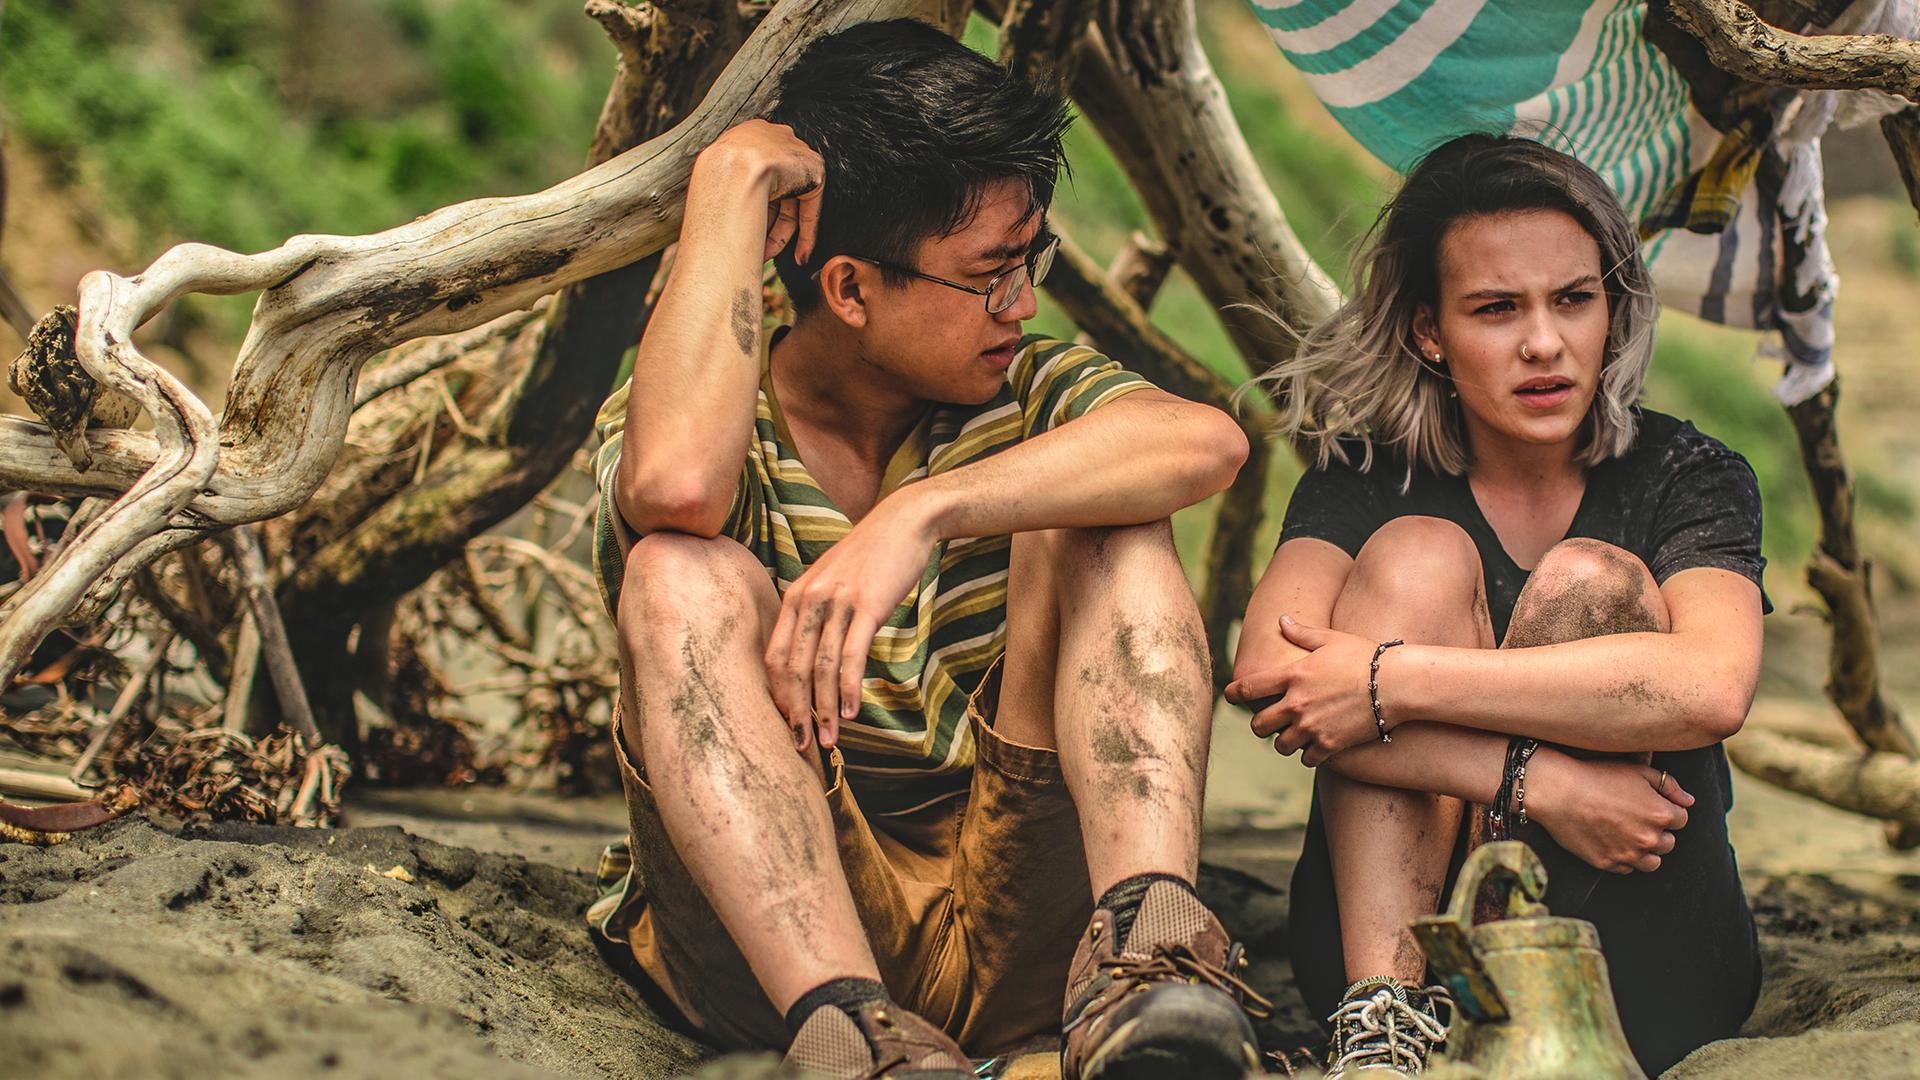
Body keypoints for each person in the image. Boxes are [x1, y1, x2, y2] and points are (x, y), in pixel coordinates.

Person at [586, 19, 1267, 1080]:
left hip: (1028, 930)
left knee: (1111, 511)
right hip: (776, 945)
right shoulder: (709, 414)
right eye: (989, 275)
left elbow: (1206, 442)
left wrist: (921, 513)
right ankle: (849, 1033)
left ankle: (1149, 955)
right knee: (677, 569)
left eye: (1029, 262)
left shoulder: (1026, 388)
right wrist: (727, 180)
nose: (1022, 305)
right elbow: (674, 487)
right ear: (850, 290)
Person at [1226, 133, 1765, 1077]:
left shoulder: (1689, 474)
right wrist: (1537, 780)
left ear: (1612, 310)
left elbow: (1711, 687)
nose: (1544, 343)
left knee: (1590, 582)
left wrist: (1393, 683)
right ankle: (1385, 1021)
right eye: (1496, 308)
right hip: (1391, 954)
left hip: (1648, 961)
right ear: (1429, 331)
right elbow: (1272, 678)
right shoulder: (1367, 479)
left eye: (1573, 299)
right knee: (1418, 556)